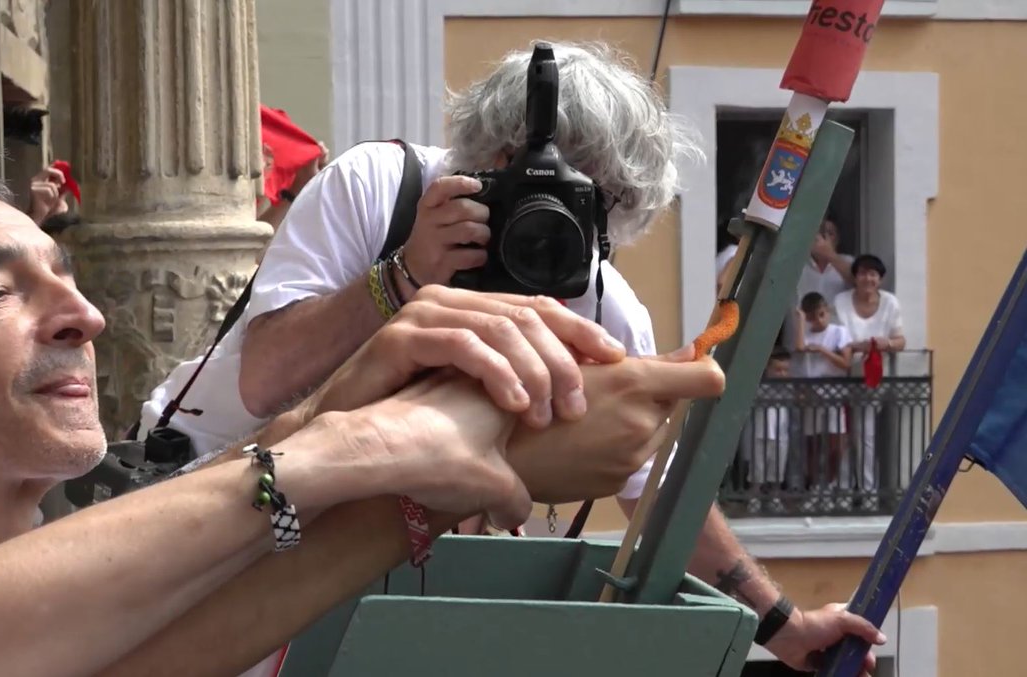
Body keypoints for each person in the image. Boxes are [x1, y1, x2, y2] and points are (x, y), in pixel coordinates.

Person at [0, 157, 742, 675]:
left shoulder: (101, 539)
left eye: (63, 278)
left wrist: (413, 452)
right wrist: (368, 439)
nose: (86, 316)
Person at [140, 41, 882, 672]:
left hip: (357, 573)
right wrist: (401, 277)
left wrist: (780, 622)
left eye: (595, 209)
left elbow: (654, 485)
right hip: (212, 515)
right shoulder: (381, 191)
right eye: (544, 186)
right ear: (495, 158)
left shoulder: (598, 298)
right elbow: (266, 376)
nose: (560, 225)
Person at [834, 253, 905, 508]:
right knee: (839, 436)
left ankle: (868, 493)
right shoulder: (841, 301)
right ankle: (841, 494)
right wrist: (861, 345)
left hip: (872, 379)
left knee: (865, 435)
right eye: (863, 273)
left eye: (873, 274)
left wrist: (882, 343)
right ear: (855, 277)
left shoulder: (890, 303)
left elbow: (900, 341)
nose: (868, 279)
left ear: (880, 279)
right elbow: (838, 340)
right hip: (841, 375)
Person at [793, 292, 854, 510]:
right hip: (812, 394)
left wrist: (822, 350)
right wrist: (800, 320)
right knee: (813, 444)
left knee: (835, 443)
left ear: (827, 311)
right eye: (812, 317)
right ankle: (813, 487)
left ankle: (832, 484)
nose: (818, 321)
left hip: (833, 393)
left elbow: (846, 364)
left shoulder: (839, 332)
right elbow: (800, 348)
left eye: (821, 314)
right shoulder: (806, 333)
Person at [742, 346, 792, 513]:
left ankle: (774, 497)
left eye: (785, 370)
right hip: (761, 433)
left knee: (777, 468)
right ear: (768, 369)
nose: (782, 374)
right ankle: (754, 497)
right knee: (758, 468)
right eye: (777, 370)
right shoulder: (759, 387)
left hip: (780, 434)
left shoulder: (788, 388)